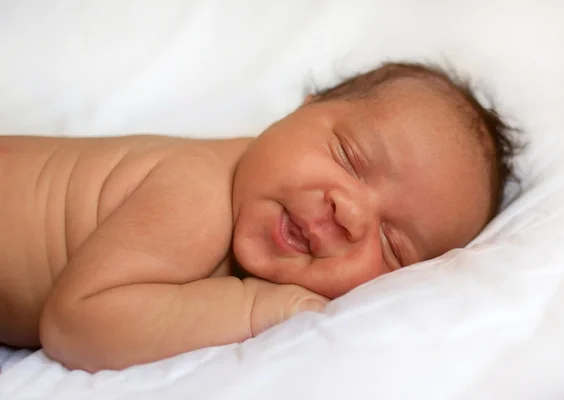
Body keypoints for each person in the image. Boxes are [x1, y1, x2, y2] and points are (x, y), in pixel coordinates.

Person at [0, 62, 519, 372]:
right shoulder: (198, 193)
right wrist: (253, 308)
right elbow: (75, 325)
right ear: (301, 109)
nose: (350, 214)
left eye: (391, 245)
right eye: (350, 157)